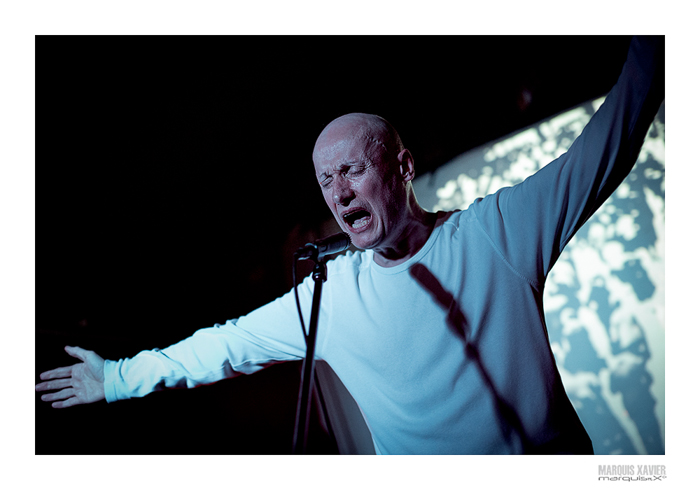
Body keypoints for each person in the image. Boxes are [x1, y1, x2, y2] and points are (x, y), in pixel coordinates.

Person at [36, 36, 664, 454]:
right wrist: (116, 379)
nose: (337, 193)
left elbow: (605, 144)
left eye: (353, 171)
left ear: (402, 167)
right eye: (324, 180)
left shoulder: (494, 233)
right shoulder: (330, 297)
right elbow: (223, 345)